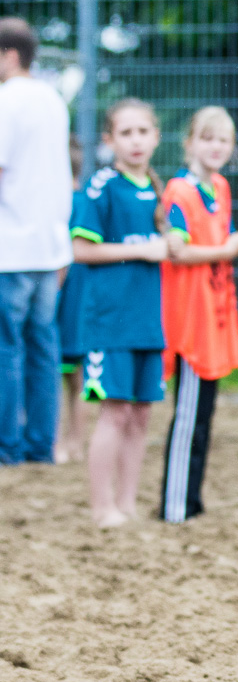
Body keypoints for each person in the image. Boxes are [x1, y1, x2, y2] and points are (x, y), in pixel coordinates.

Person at [158, 106, 238, 522]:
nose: (216, 146)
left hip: (215, 311)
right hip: (189, 318)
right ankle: (175, 507)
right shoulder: (178, 192)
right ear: (189, 143)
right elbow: (178, 250)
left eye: (224, 139)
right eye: (208, 138)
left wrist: (234, 243)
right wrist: (228, 248)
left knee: (204, 414)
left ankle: (191, 501)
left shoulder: (219, 187)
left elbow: (218, 239)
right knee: (188, 417)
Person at [70, 99, 168, 527]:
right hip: (110, 322)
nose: (136, 141)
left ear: (156, 137)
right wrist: (141, 250)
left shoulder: (160, 190)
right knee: (114, 411)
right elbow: (80, 250)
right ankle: (100, 507)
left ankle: (127, 504)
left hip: (149, 321)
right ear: (109, 140)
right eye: (126, 133)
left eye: (143, 132)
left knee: (141, 413)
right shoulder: (101, 186)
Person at [0, 17, 73, 465]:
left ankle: (6, 446)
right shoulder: (53, 99)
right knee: (43, 348)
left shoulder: (8, 100)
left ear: (9, 55)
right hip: (51, 245)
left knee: (7, 346)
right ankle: (40, 444)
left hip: (11, 246)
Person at [55, 137, 90, 463]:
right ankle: (73, 441)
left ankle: (69, 442)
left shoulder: (68, 204)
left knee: (67, 373)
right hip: (73, 298)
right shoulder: (80, 201)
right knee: (72, 376)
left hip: (68, 297)